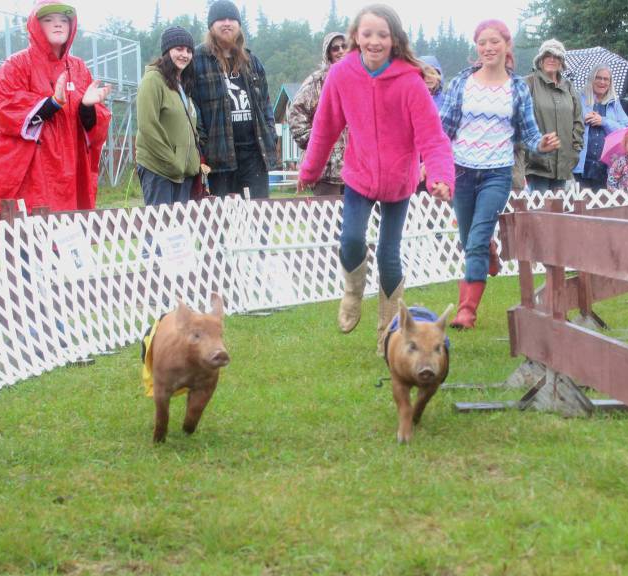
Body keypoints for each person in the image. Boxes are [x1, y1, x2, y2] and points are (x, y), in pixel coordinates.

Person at [297, 4, 454, 355]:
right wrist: (309, 170)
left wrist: (441, 176)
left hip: (400, 180)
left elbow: (433, 137)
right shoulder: (341, 76)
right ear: (355, 37)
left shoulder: (410, 82)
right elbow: (324, 128)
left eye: (382, 35)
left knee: (388, 254)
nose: (374, 41)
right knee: (351, 239)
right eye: (367, 34)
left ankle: (387, 331)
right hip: (360, 175)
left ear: (394, 40)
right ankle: (353, 293)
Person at [439, 20, 560, 330]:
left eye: (494, 42)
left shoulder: (517, 87)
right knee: (470, 240)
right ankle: (490, 251)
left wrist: (542, 144)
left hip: (497, 172)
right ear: (477, 48)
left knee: (476, 239)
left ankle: (467, 311)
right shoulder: (461, 83)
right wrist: (434, 162)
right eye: (482, 42)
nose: (488, 47)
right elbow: (444, 129)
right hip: (462, 171)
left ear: (507, 46)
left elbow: (528, 133)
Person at [0, 1, 111, 214]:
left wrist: (86, 107)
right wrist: (52, 103)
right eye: (48, 20)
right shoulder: (15, 65)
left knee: (65, 235)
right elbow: (7, 111)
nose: (58, 25)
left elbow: (94, 129)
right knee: (27, 239)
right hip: (31, 176)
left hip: (70, 173)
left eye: (64, 20)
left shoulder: (79, 69)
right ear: (36, 25)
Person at [191, 0, 278, 199]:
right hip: (218, 159)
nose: (227, 23)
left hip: (254, 155)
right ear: (211, 25)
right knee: (221, 223)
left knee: (257, 220)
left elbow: (265, 104)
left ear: (239, 25)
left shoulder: (252, 62)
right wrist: (202, 146)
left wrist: (271, 134)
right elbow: (192, 108)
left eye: (232, 19)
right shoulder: (197, 60)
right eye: (221, 19)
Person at [135, 26, 202, 206]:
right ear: (167, 51)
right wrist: (173, 163)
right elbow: (147, 126)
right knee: (159, 230)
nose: (185, 55)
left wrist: (192, 164)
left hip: (183, 174)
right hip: (159, 171)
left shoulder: (182, 86)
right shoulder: (152, 81)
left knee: (180, 232)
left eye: (189, 51)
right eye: (179, 49)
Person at [519, 39, 583, 193]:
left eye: (556, 56)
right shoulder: (527, 84)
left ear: (562, 62)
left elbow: (578, 120)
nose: (552, 59)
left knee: (557, 212)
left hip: (563, 164)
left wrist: (575, 149)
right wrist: (528, 151)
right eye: (548, 55)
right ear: (540, 60)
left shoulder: (569, 87)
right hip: (536, 164)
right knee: (539, 211)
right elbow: (519, 121)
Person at [289, 31, 347, 196]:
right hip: (326, 172)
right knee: (326, 220)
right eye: (335, 48)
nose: (341, 51)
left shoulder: (357, 80)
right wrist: (315, 143)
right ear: (328, 53)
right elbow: (295, 114)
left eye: (344, 46)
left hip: (355, 170)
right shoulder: (315, 82)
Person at [573, 64, 628, 191]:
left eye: (606, 79)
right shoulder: (578, 98)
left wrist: (603, 121)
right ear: (591, 79)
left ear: (610, 83)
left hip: (606, 166)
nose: (602, 82)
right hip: (582, 164)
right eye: (598, 78)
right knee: (581, 205)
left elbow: (626, 130)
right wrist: (583, 119)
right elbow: (569, 123)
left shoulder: (614, 103)